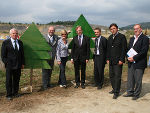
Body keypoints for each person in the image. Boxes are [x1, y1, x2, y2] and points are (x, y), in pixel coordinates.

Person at [123, 24, 149, 100]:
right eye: (134, 29)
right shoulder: (131, 38)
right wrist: (128, 57)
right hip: (131, 62)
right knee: (130, 78)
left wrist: (134, 58)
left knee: (138, 79)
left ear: (141, 29)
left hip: (139, 62)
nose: (135, 30)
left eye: (137, 28)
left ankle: (136, 94)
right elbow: (128, 49)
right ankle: (130, 92)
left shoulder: (145, 38)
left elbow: (144, 51)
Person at [1, 28, 25, 100]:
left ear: (18, 34)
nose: (15, 35)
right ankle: (9, 94)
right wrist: (7, 63)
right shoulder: (5, 42)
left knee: (16, 79)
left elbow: (22, 54)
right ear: (10, 34)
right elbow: (3, 55)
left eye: (16, 33)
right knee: (9, 80)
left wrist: (23, 63)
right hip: (9, 65)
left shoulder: (20, 42)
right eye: (13, 33)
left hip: (18, 64)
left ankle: (15, 93)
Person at [107, 23, 127, 99]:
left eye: (114, 28)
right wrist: (107, 58)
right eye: (111, 29)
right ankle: (114, 88)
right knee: (111, 75)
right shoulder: (110, 37)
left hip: (118, 61)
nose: (113, 30)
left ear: (117, 28)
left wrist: (122, 59)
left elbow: (124, 49)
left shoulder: (122, 37)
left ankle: (116, 92)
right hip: (111, 61)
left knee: (117, 76)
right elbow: (108, 50)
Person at [41, 26, 59, 90]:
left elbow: (63, 37)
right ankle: (44, 85)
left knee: (50, 71)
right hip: (45, 57)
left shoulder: (56, 37)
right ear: (48, 30)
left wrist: (67, 33)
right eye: (50, 30)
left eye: (53, 30)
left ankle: (48, 83)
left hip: (52, 57)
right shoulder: (43, 37)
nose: (51, 31)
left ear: (54, 31)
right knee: (45, 71)